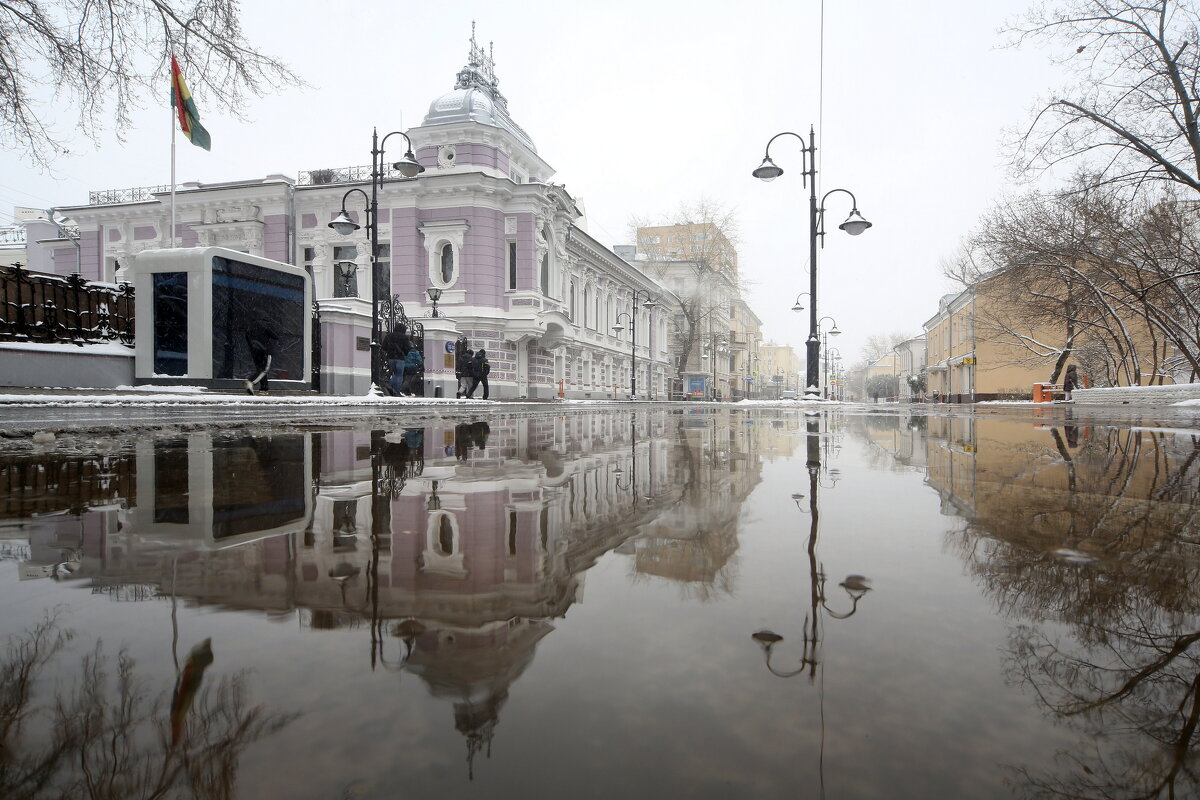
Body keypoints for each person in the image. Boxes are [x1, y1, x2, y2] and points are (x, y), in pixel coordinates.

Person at [244, 321, 277, 395]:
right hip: (264, 351)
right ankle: (250, 381)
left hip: (254, 351)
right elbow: (275, 336)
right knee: (264, 370)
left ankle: (264, 389)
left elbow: (246, 336)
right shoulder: (266, 327)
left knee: (260, 369)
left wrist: (252, 346)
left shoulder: (251, 327)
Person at [382, 325, 411, 396]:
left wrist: (389, 351)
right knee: (399, 375)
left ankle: (389, 386)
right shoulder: (404, 337)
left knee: (394, 373)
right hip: (400, 358)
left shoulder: (389, 336)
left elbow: (384, 346)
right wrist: (404, 353)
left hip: (390, 358)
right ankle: (396, 391)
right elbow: (407, 348)